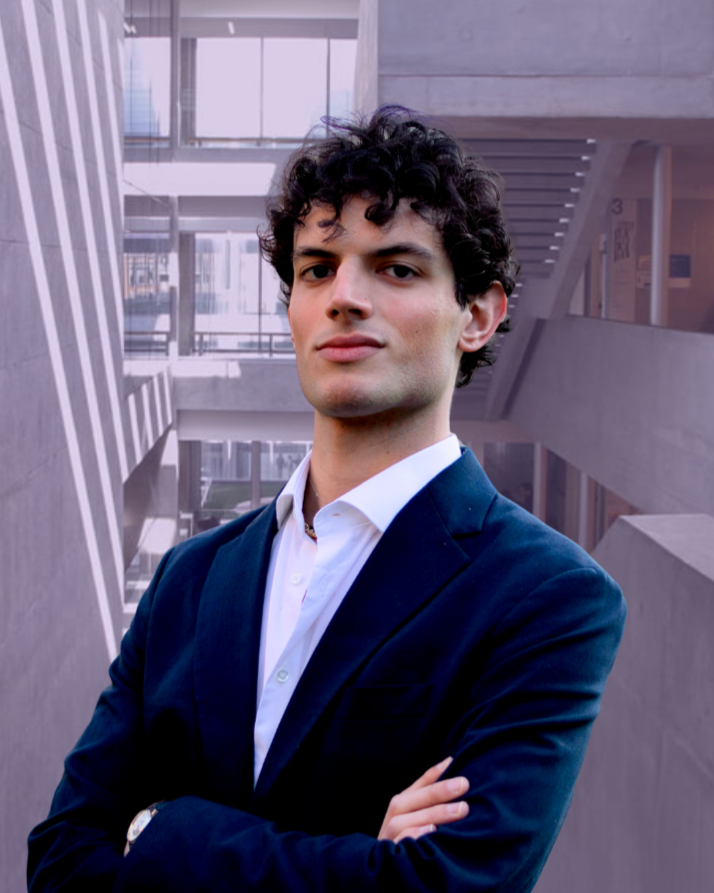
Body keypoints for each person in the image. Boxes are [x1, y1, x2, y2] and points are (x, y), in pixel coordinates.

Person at [28, 107, 626, 893]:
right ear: (292, 309)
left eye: (396, 268)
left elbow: (448, 885)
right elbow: (62, 857)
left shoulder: (548, 597)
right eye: (317, 268)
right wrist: (362, 857)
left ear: (477, 315)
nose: (345, 296)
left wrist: (160, 831)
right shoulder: (188, 579)